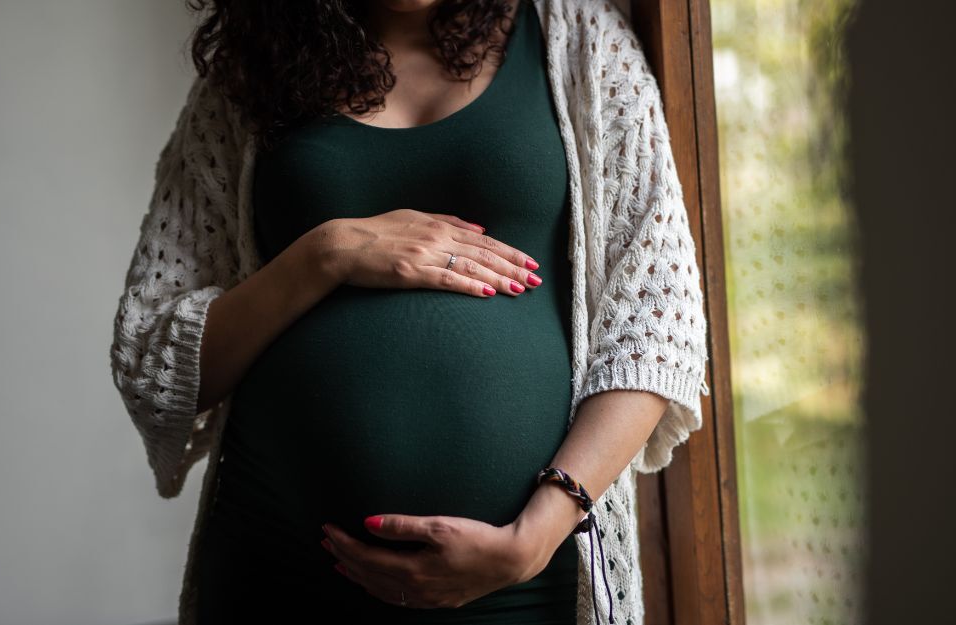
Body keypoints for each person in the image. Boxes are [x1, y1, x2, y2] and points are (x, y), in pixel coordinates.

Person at [108, 0, 711, 624]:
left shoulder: (580, 38)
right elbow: (154, 354)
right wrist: (326, 252)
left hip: (524, 583)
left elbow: (657, 323)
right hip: (280, 570)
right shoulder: (253, 73)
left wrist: (536, 536)